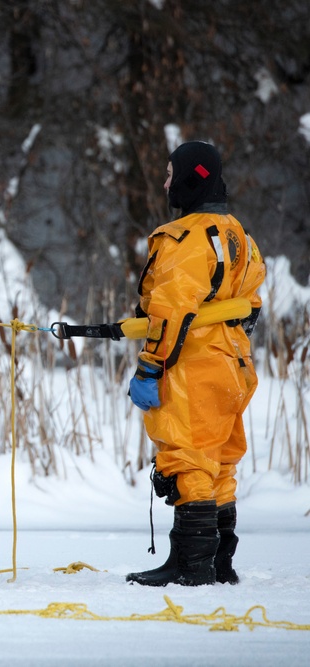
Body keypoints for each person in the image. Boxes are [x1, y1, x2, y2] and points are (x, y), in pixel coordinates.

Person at [126, 141, 264, 587]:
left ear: (192, 176)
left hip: (194, 364)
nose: (166, 182)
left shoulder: (183, 239)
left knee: (187, 459)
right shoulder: (239, 235)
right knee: (220, 461)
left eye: (170, 174)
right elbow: (253, 304)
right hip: (234, 362)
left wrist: (150, 366)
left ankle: (191, 564)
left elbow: (167, 310)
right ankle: (220, 563)